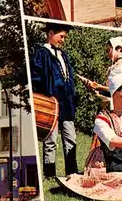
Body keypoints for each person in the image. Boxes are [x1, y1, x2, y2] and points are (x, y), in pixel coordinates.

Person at [57, 73, 122, 200]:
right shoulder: (102, 118)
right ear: (113, 95)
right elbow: (112, 141)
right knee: (119, 178)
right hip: (106, 157)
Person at [30, 22, 78, 178]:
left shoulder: (63, 55)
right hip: (52, 103)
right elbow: (36, 78)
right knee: (51, 141)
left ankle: (72, 172)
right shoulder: (41, 54)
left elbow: (69, 76)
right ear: (50, 33)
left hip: (67, 103)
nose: (63, 40)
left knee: (70, 138)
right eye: (61, 36)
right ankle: (49, 174)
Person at [83, 36, 122, 170]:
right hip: (114, 106)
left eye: (109, 50)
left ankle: (111, 167)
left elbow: (119, 89)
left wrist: (98, 87)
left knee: (113, 137)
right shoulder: (119, 65)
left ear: (119, 49)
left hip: (118, 109)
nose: (108, 53)